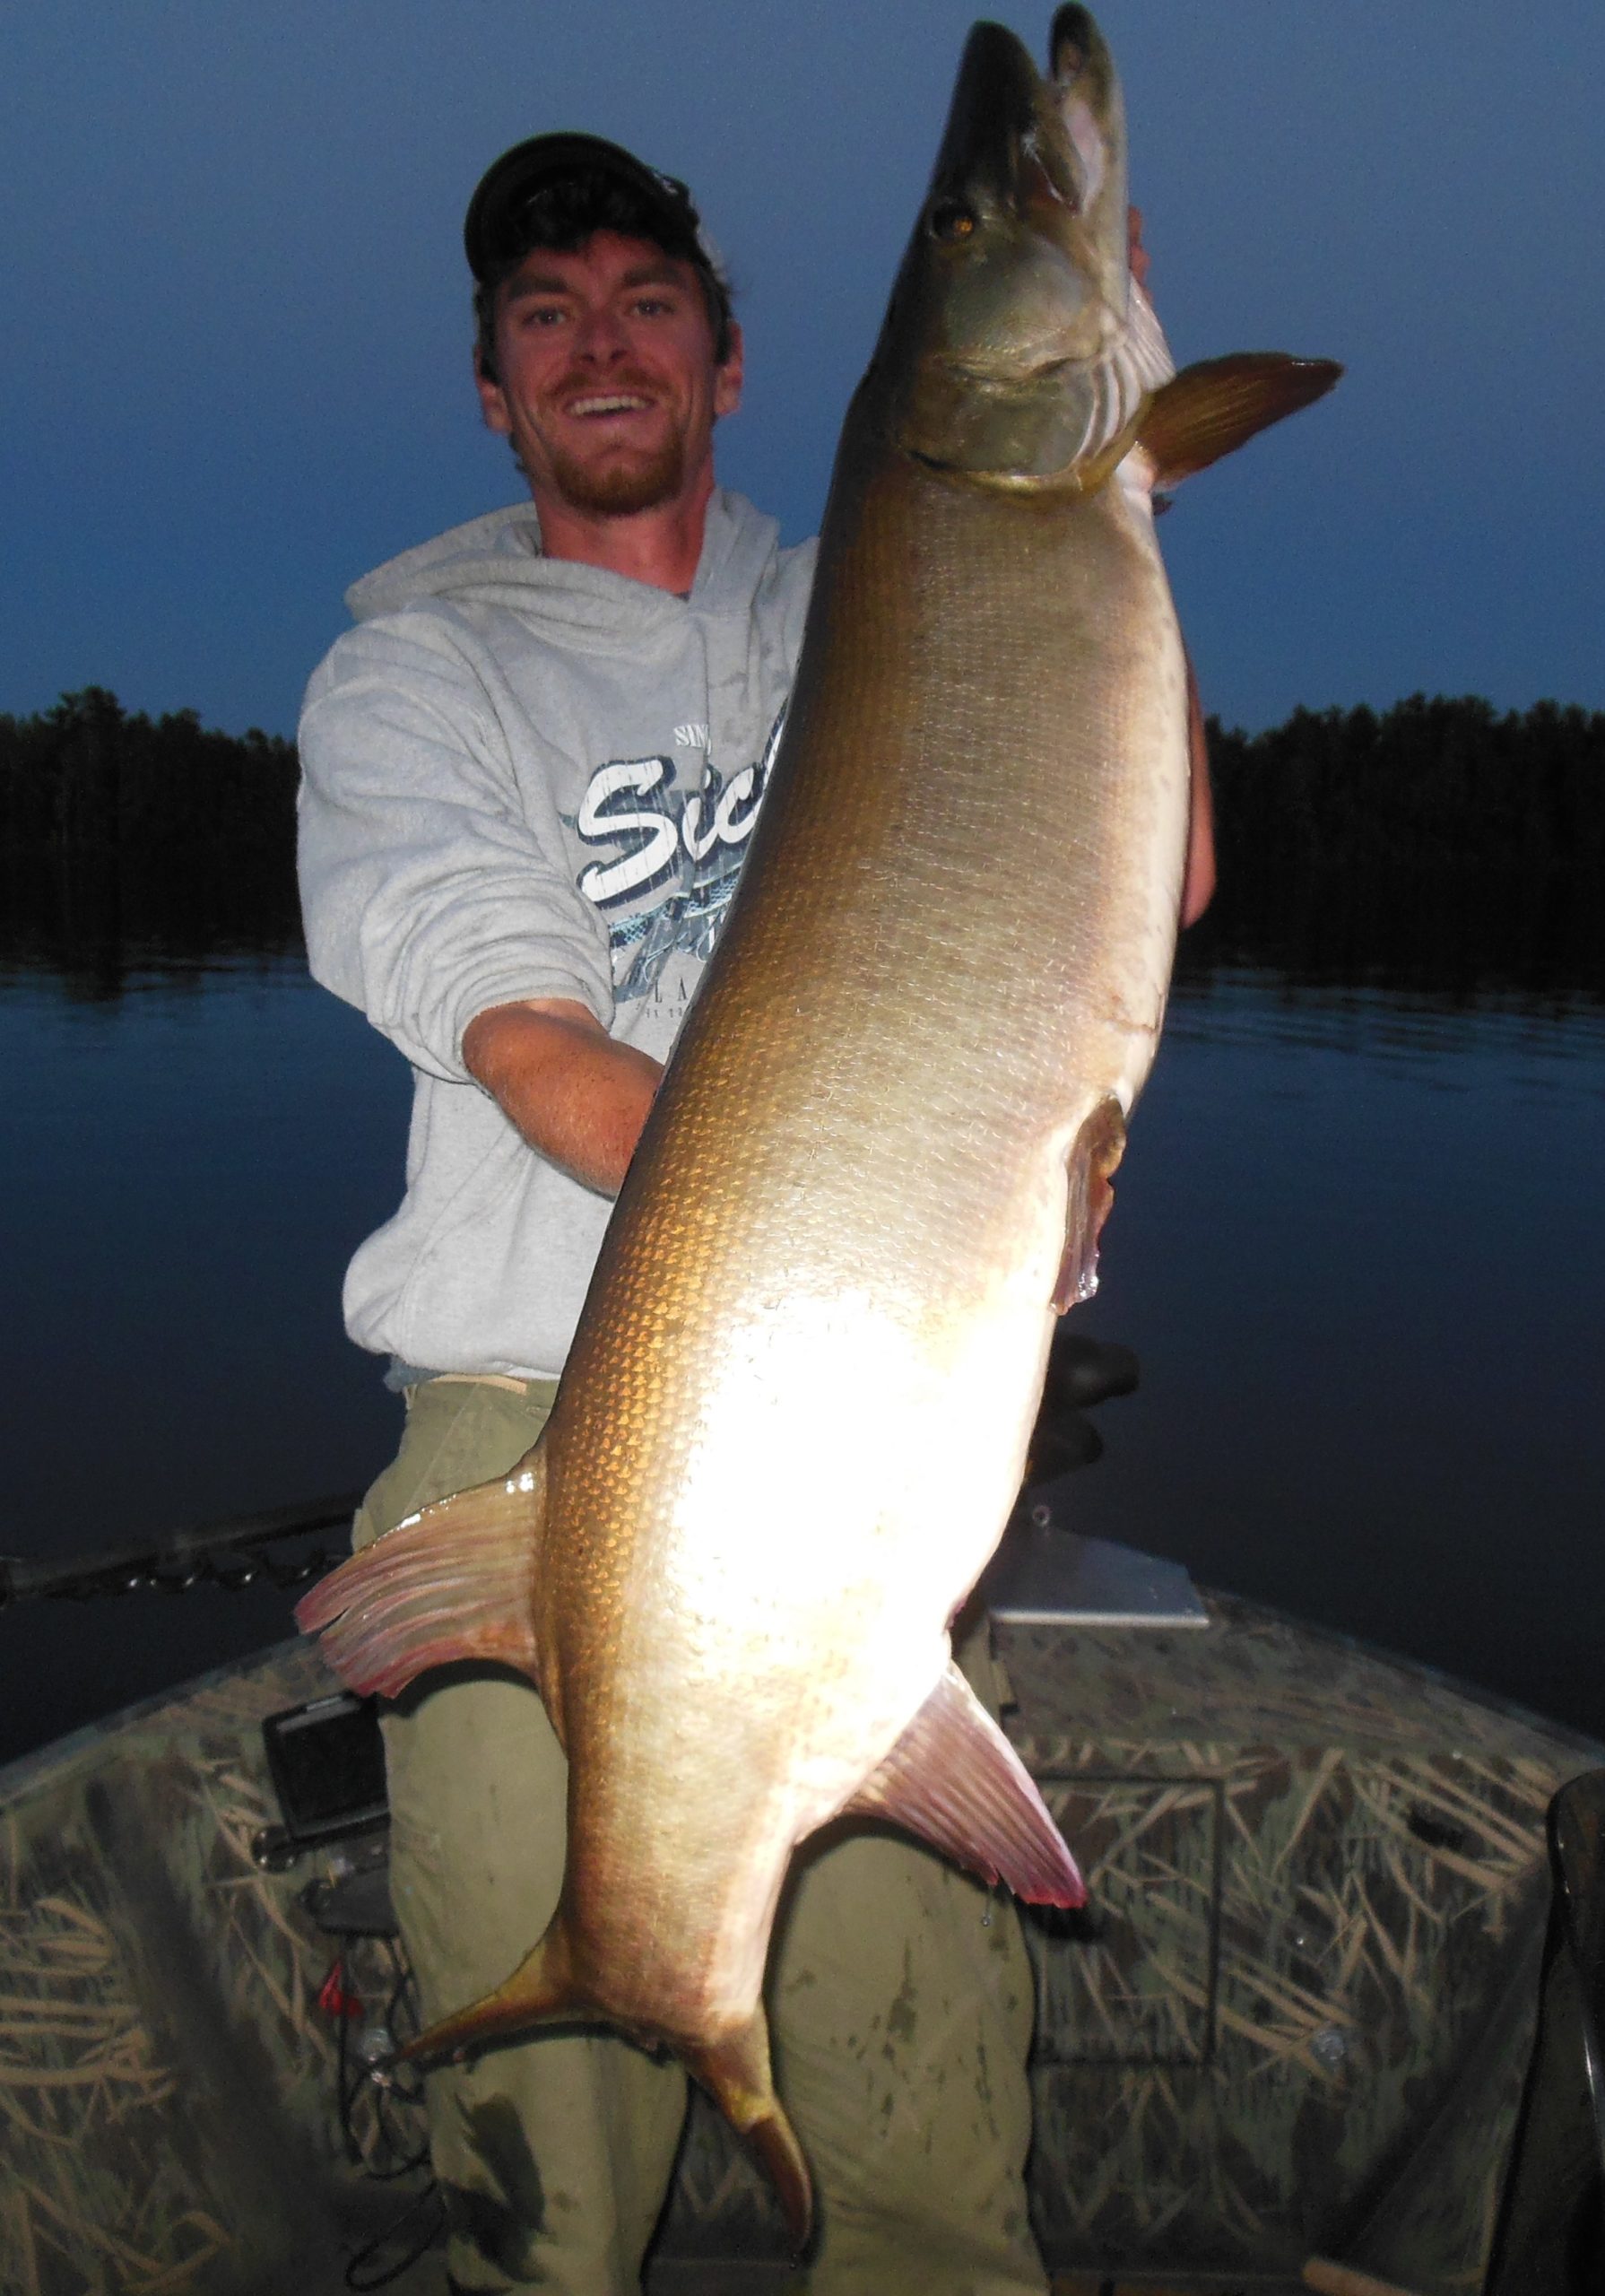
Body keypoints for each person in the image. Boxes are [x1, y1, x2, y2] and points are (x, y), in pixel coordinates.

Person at [298, 135, 1211, 2296]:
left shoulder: (885, 592)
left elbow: (1153, 880)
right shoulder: (409, 675)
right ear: (493, 393)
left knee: (923, 2176)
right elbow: (533, 1051)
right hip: (532, 1429)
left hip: (871, 1441)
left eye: (643, 300)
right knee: (550, 2209)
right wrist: (832, 1210)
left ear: (729, 362)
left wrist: (1124, 495)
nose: (598, 341)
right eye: (545, 315)